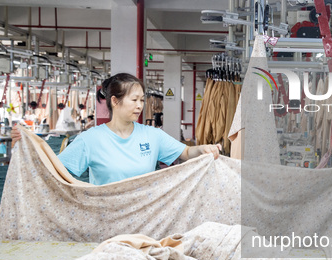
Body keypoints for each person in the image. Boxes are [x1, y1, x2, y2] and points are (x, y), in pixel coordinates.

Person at [11, 73, 220, 185]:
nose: (140, 106)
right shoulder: (90, 139)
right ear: (115, 101)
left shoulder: (152, 135)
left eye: (142, 100)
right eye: (134, 100)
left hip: (145, 217)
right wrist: (24, 147)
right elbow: (54, 171)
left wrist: (201, 149)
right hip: (106, 219)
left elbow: (184, 152)